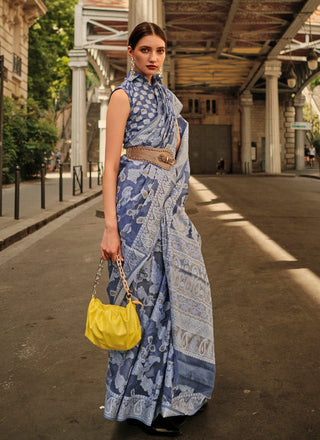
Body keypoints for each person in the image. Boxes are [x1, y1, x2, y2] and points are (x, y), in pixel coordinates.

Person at [100, 22, 215, 436]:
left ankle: (173, 393)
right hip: (133, 210)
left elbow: (176, 160)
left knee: (174, 301)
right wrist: (111, 228)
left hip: (169, 210)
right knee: (142, 305)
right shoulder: (121, 96)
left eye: (160, 50)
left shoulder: (169, 99)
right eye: (145, 49)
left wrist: (177, 209)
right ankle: (140, 405)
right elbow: (111, 164)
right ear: (130, 52)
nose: (153, 56)